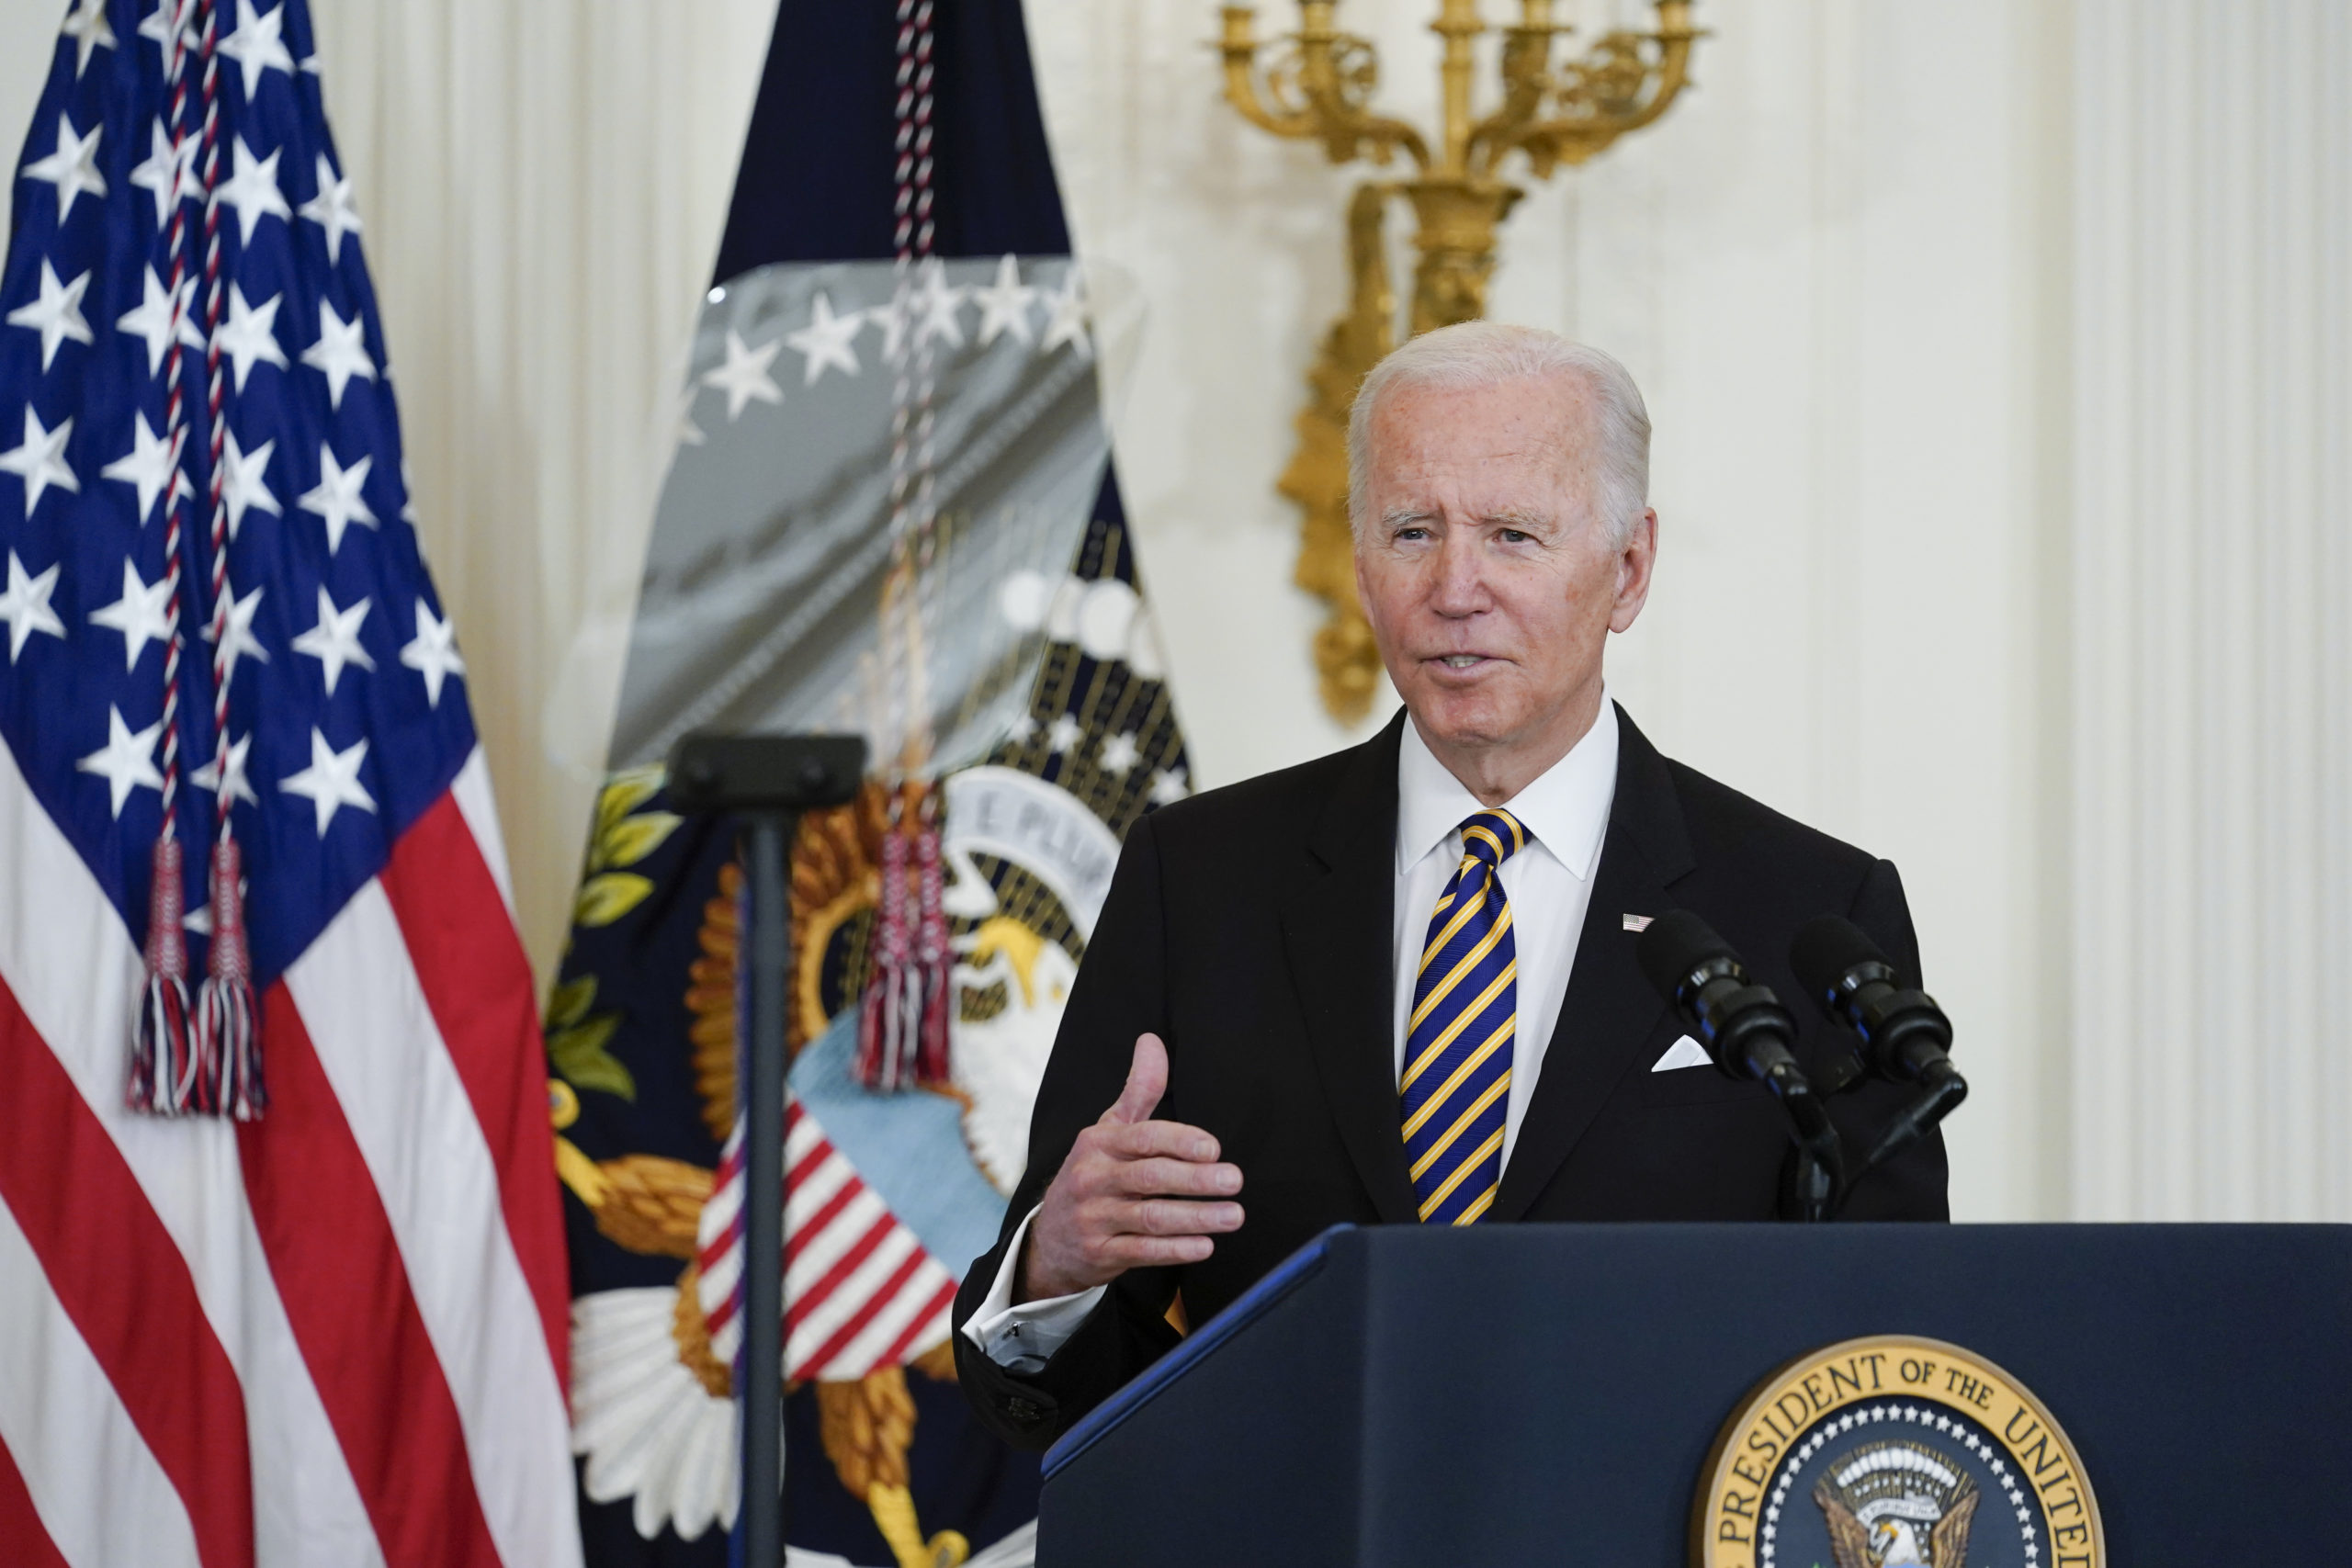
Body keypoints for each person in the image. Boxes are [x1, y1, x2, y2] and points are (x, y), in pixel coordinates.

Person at [951, 321, 1947, 1449]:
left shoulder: (1808, 911)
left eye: (1513, 535)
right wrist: (1054, 1269)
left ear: (1628, 570)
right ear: (1361, 563)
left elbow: (1890, 1363)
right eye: (1412, 531)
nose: (1455, 587)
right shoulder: (1202, 879)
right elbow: (1075, 1403)